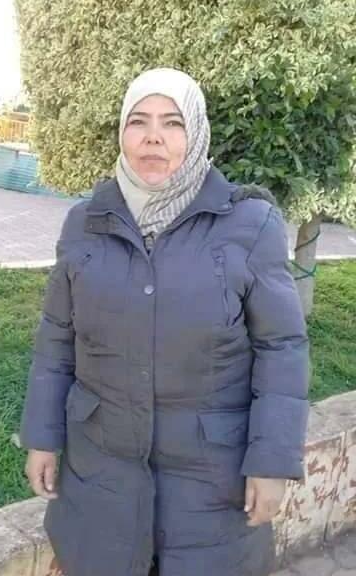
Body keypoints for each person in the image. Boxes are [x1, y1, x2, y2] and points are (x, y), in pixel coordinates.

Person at [20, 67, 309, 576]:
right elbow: (57, 338)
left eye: (173, 122)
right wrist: (42, 436)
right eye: (139, 121)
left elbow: (281, 348)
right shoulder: (85, 223)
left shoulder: (250, 224)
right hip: (99, 474)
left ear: (196, 134)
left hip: (211, 486)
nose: (153, 136)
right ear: (122, 133)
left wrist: (271, 461)